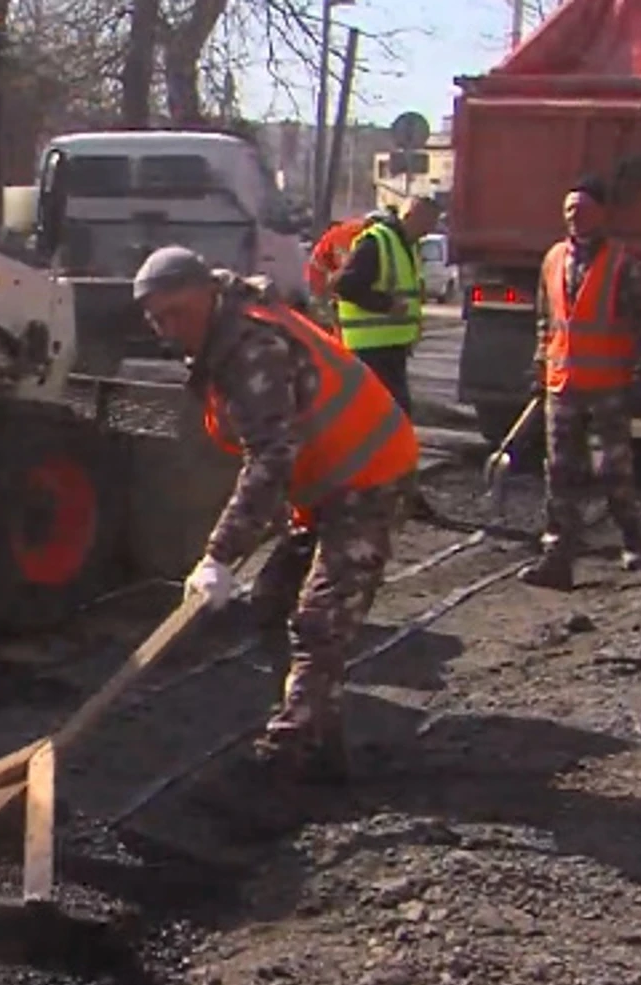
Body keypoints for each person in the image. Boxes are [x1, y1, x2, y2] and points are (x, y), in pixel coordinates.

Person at [133, 246, 419, 778]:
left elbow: (271, 456)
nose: (169, 329)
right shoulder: (224, 335)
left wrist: (220, 555)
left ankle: (289, 759)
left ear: (208, 294)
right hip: (326, 486)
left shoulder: (252, 346)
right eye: (157, 318)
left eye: (178, 313)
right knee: (271, 604)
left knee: (318, 621)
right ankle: (322, 739)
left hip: (370, 475)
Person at [517, 177, 641, 590]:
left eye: (582, 209)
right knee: (560, 471)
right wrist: (540, 366)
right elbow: (546, 321)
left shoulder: (622, 264)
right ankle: (557, 558)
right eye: (568, 211)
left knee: (613, 468)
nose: (573, 217)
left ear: (602, 213)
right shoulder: (553, 259)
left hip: (608, 385)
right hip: (563, 384)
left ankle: (632, 540)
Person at [334, 194, 443, 520]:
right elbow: (344, 284)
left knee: (387, 423)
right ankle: (383, 494)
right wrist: (384, 305)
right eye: (429, 222)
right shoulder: (376, 242)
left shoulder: (405, 246)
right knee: (386, 423)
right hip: (371, 350)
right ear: (413, 215)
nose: (431, 230)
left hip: (389, 348)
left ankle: (395, 493)